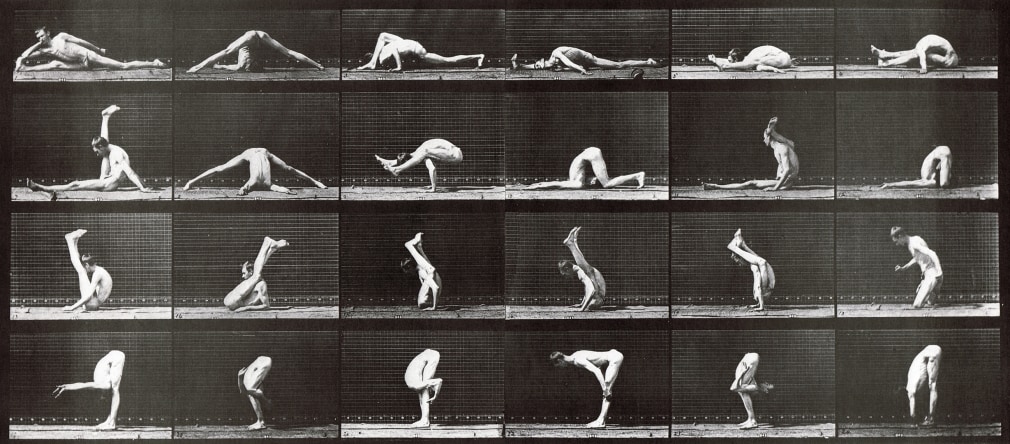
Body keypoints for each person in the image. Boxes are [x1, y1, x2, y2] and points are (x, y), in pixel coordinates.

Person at [27, 105, 156, 200]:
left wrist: (142, 187)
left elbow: (130, 172)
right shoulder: (108, 149)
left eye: (96, 151)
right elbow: (104, 143)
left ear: (100, 147)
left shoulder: (116, 154)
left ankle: (39, 187)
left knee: (75, 184)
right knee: (105, 148)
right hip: (109, 178)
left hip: (108, 184)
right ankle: (105, 118)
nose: (96, 154)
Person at [703, 117, 799, 191]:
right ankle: (716, 186)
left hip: (786, 182)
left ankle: (716, 187)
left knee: (750, 183)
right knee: (751, 184)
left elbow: (787, 170)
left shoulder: (782, 147)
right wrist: (770, 130)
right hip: (786, 182)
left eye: (764, 137)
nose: (763, 140)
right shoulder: (782, 147)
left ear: (769, 138)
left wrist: (775, 189)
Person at [183, 148, 328, 196]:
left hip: (251, 153)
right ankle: (316, 182)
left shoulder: (251, 184)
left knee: (221, 168)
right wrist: (287, 190)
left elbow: (244, 189)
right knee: (289, 168)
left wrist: (242, 191)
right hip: (265, 152)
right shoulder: (268, 185)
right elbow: (279, 188)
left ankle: (191, 182)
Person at [16, 27, 166, 72]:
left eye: (42, 36)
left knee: (123, 66)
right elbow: (24, 55)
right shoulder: (45, 50)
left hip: (89, 56)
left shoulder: (61, 37)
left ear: (48, 33)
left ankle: (153, 63)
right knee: (54, 65)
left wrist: (98, 49)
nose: (40, 39)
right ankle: (23, 70)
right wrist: (38, 44)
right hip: (81, 65)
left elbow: (81, 41)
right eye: (38, 38)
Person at [549, 349, 624, 428]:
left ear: (560, 360)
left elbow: (596, 371)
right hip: (613, 355)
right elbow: (599, 364)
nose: (561, 368)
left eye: (558, 366)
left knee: (607, 389)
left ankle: (601, 422)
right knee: (606, 388)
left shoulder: (577, 360)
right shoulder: (575, 354)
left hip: (615, 357)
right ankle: (600, 421)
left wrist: (605, 390)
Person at [52, 350, 125, 430]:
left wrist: (68, 387)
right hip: (114, 357)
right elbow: (84, 384)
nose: (103, 399)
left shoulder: (104, 385)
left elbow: (84, 385)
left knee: (115, 390)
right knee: (114, 392)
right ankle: (109, 421)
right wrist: (67, 386)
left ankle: (111, 423)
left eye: (103, 398)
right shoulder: (102, 384)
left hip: (116, 357)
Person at [187, 30, 324, 73]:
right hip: (254, 40)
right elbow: (226, 51)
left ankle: (317, 64)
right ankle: (218, 66)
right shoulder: (246, 43)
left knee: (240, 66)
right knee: (241, 67)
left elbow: (225, 51)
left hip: (255, 38)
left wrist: (198, 67)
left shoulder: (255, 38)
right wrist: (199, 66)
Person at [524, 147, 645, 190]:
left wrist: (538, 186)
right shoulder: (580, 178)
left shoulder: (576, 182)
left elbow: (557, 184)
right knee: (606, 183)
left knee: (606, 184)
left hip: (591, 153)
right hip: (590, 153)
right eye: (594, 180)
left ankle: (638, 175)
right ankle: (637, 175)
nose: (593, 180)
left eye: (593, 181)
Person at [355, 32, 484, 72]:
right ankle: (478, 55)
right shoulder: (383, 48)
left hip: (416, 48)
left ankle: (478, 55)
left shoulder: (382, 57)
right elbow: (393, 45)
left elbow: (394, 50)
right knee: (382, 35)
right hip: (412, 44)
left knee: (447, 60)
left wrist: (399, 67)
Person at [224, 237, 289, 312]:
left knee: (256, 275)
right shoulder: (251, 283)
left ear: (250, 271)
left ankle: (267, 244)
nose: (242, 276)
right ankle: (271, 248)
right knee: (256, 274)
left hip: (233, 303)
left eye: (244, 273)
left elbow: (266, 305)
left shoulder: (261, 284)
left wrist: (247, 308)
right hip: (233, 302)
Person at [375, 139, 463, 192]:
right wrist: (433, 187)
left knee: (424, 151)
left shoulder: (423, 150)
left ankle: (396, 169)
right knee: (424, 153)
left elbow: (413, 158)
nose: (413, 163)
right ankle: (391, 164)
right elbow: (432, 169)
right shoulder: (426, 153)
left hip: (455, 153)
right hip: (452, 154)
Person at [891, 227, 943, 309]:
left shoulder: (914, 243)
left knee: (916, 305)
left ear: (900, 236)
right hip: (931, 275)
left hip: (933, 274)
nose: (897, 244)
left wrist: (939, 271)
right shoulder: (914, 240)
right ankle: (929, 297)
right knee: (928, 303)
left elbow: (932, 253)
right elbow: (918, 258)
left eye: (896, 242)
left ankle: (929, 293)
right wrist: (904, 268)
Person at [62, 229, 113, 312]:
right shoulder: (100, 270)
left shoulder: (97, 274)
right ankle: (73, 241)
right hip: (94, 303)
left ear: (87, 265)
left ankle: (70, 241)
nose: (85, 268)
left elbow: (88, 295)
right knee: (81, 270)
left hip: (91, 304)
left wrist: (72, 308)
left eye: (85, 266)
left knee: (81, 271)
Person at [511, 47, 657, 75]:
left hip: (590, 59)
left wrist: (580, 70)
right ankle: (518, 66)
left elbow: (569, 63)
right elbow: (570, 67)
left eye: (540, 65)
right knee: (619, 65)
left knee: (619, 65)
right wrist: (519, 66)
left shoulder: (556, 53)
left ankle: (647, 62)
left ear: (544, 60)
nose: (542, 68)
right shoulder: (554, 65)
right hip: (583, 63)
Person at [557, 227, 606, 311]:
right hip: (599, 293)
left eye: (565, 274)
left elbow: (592, 291)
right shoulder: (581, 269)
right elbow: (589, 289)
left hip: (599, 297)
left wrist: (582, 308)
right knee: (584, 264)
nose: (567, 277)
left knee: (586, 268)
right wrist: (582, 304)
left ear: (567, 269)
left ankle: (571, 244)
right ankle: (573, 242)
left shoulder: (582, 273)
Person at [727, 229, 774, 311]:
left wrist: (760, 306)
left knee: (761, 262)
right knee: (761, 262)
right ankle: (738, 246)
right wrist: (760, 306)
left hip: (766, 287)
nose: (740, 264)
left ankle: (737, 246)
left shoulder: (758, 292)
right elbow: (759, 287)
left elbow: (759, 286)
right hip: (767, 287)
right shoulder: (761, 292)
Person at [871, 35, 958, 74]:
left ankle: (885, 59)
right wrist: (923, 67)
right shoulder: (921, 46)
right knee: (912, 54)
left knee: (914, 55)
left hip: (952, 58)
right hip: (948, 54)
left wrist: (924, 68)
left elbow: (922, 57)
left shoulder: (921, 47)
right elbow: (920, 55)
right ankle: (884, 56)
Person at [730, 352, 774, 430]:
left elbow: (733, 388)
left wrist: (742, 372)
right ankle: (750, 418)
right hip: (749, 358)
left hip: (750, 359)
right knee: (742, 390)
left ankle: (752, 421)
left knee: (740, 389)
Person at [879, 146, 952, 189]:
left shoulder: (930, 179)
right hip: (940, 152)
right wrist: (891, 184)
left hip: (939, 152)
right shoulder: (932, 180)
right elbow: (910, 183)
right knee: (944, 183)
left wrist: (891, 184)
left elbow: (911, 183)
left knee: (944, 183)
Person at [401, 233, 441, 310]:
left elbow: (436, 288)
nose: (408, 274)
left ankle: (418, 243)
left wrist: (434, 307)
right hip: (432, 275)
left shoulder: (423, 271)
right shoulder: (422, 271)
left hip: (429, 273)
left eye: (407, 271)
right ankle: (419, 246)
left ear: (409, 267)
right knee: (409, 246)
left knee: (408, 245)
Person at [404, 349, 443, 428]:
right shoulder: (414, 382)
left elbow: (426, 391)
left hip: (431, 356)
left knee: (425, 387)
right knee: (424, 389)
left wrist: (436, 394)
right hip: (430, 355)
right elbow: (422, 396)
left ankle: (425, 420)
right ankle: (424, 420)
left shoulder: (413, 384)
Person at [904, 345, 941, 427]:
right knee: (932, 385)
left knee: (932, 385)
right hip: (933, 350)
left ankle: (930, 418)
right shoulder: (912, 377)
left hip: (931, 352)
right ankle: (930, 418)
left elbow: (911, 396)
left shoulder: (910, 388)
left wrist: (913, 418)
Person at [238, 356, 273, 431]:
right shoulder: (250, 382)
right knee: (252, 392)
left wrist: (239, 377)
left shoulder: (247, 384)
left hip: (263, 362)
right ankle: (260, 421)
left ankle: (261, 421)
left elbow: (242, 391)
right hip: (263, 362)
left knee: (250, 390)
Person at [707, 46, 797, 73]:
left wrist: (717, 61)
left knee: (752, 64)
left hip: (782, 57)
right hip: (785, 60)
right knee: (757, 67)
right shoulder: (753, 60)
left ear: (737, 59)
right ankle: (725, 65)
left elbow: (740, 65)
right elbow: (760, 68)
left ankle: (724, 66)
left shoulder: (752, 57)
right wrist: (773, 69)